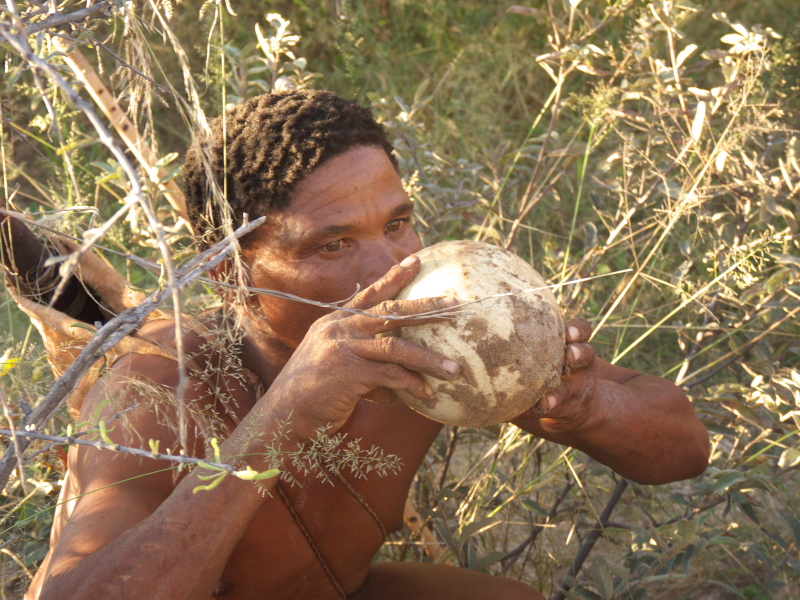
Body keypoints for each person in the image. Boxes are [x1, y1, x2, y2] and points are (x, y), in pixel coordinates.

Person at [20, 90, 710, 600]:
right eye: (335, 244)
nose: (391, 267)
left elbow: (683, 450)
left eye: (398, 224)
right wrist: (280, 420)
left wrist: (586, 407)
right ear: (231, 272)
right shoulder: (159, 389)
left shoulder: (434, 332)